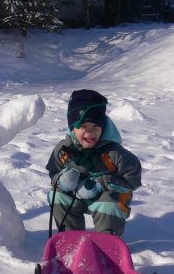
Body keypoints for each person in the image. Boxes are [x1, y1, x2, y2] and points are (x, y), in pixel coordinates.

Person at [45, 89, 141, 237]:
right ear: (72, 128)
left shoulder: (114, 153)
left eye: (95, 127)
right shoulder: (64, 150)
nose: (90, 133)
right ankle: (71, 238)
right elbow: (53, 170)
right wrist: (62, 181)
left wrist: (102, 183)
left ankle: (107, 241)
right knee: (57, 195)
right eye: (83, 126)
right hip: (76, 197)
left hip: (108, 197)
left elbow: (133, 177)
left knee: (108, 203)